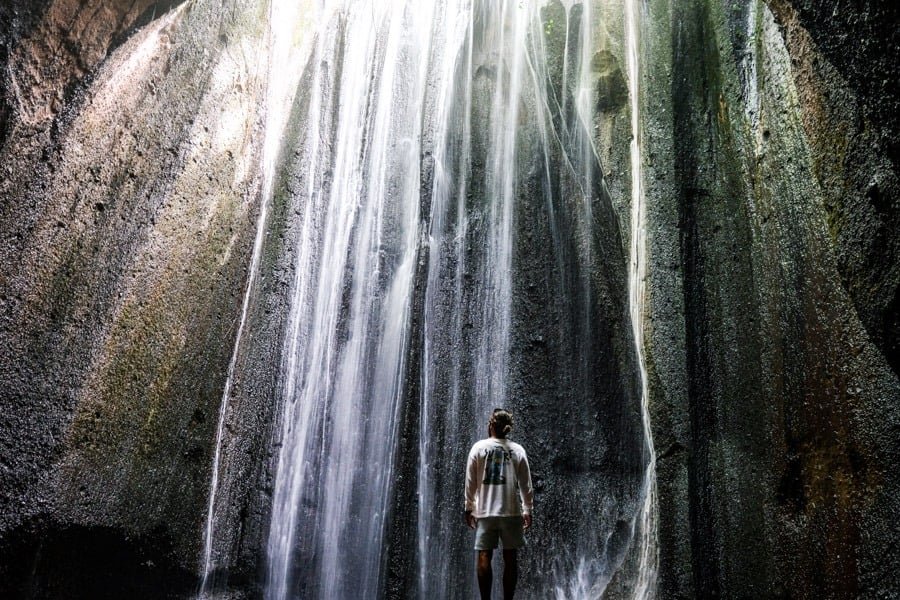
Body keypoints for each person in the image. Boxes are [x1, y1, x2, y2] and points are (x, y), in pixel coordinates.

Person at [464, 408, 534, 600]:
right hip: (511, 511)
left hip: (485, 512)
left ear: (492, 425)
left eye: (489, 423)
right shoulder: (517, 450)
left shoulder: (478, 448)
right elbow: (526, 484)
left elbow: (470, 481)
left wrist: (469, 507)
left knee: (484, 555)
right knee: (510, 557)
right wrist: (528, 509)